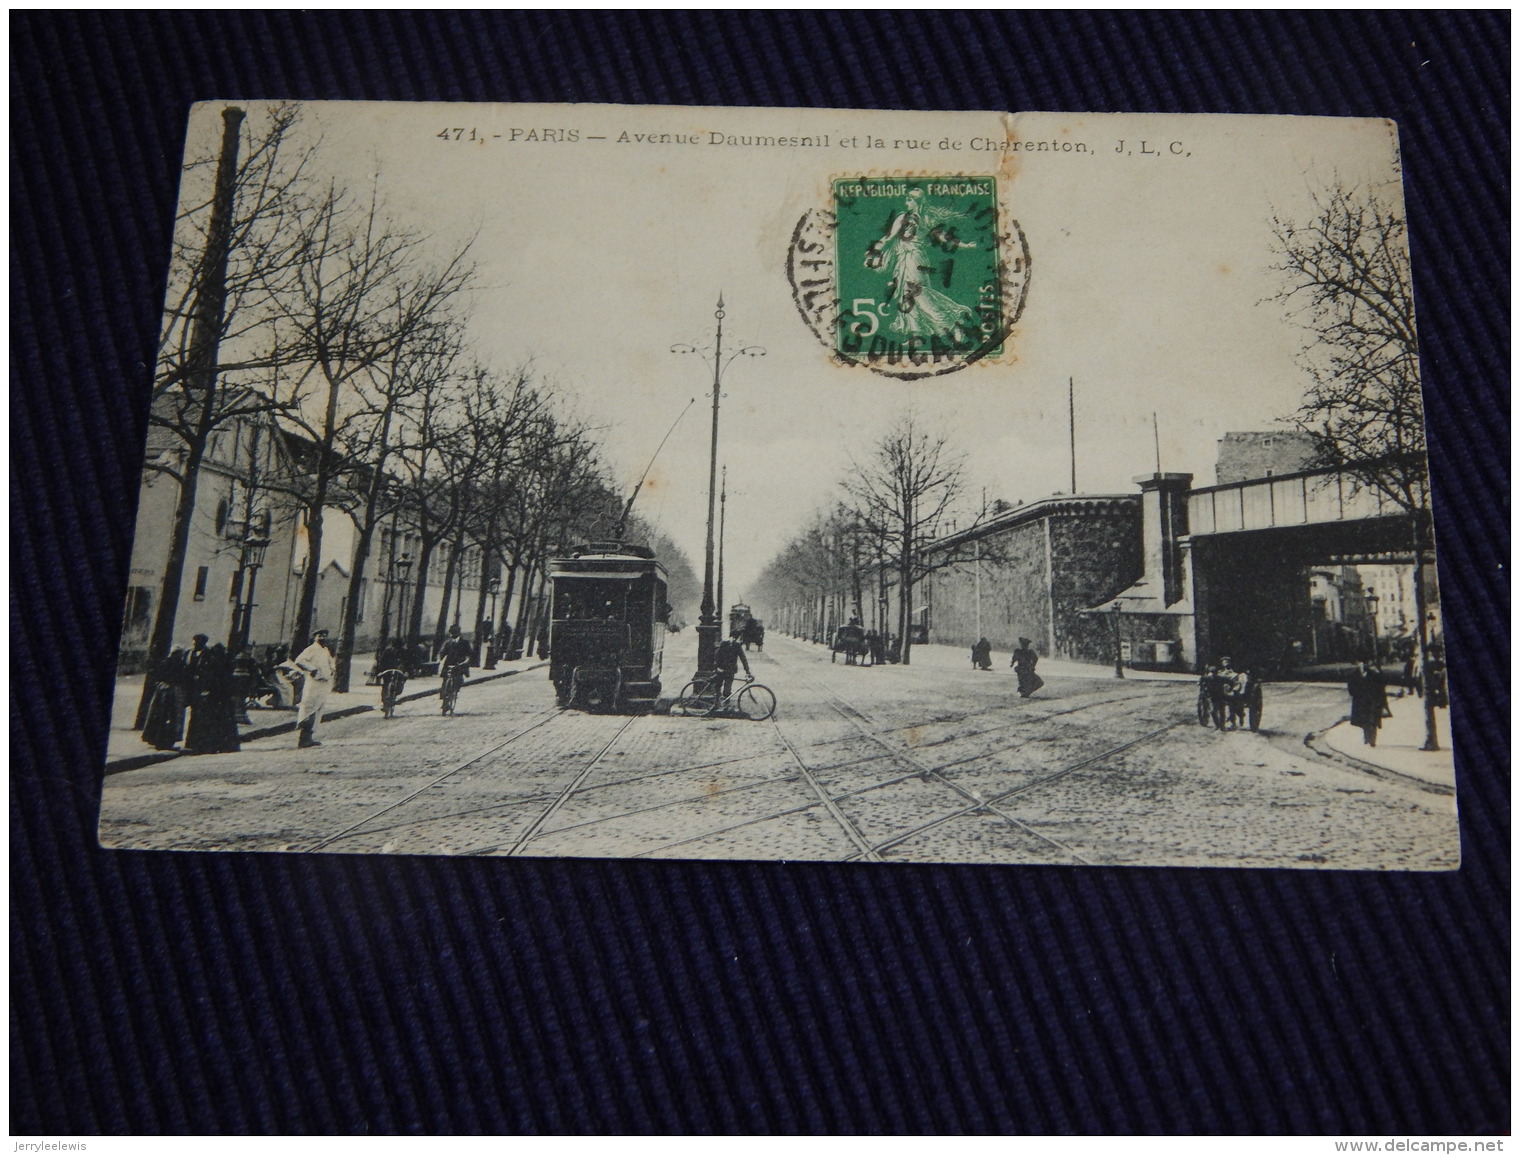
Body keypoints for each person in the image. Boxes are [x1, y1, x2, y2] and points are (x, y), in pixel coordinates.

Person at [184, 639, 241, 754]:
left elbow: (211, 679)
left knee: (211, 722)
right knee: (223, 722)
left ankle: (210, 745)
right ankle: (225, 745)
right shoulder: (224, 662)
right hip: (222, 697)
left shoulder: (214, 663)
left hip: (215, 697)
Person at [293, 628, 336, 748]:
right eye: (319, 636)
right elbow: (300, 660)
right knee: (309, 708)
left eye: (324, 635)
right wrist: (312, 669)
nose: (322, 638)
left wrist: (331, 669)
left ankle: (309, 737)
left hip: (324, 683)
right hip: (314, 683)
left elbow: (330, 662)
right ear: (315, 637)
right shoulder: (311, 649)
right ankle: (303, 739)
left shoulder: (325, 649)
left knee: (318, 709)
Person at [141, 646, 189, 750]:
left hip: (173, 694)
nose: (179, 656)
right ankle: (159, 739)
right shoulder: (167, 663)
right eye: (178, 654)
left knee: (172, 717)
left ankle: (168, 740)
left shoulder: (180, 665)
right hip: (165, 694)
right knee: (163, 716)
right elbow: (158, 677)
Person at [1346, 661, 1390, 747]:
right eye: (1361, 663)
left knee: (1372, 721)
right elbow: (1351, 688)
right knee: (1364, 721)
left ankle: (1372, 739)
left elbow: (1381, 686)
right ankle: (1367, 737)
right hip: (1360, 702)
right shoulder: (1353, 675)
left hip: (1372, 702)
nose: (1363, 665)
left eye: (1365, 664)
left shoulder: (1374, 675)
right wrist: (1357, 694)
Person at [713, 635, 752, 705]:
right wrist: (747, 671)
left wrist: (717, 667)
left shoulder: (728, 644)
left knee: (721, 688)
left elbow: (717, 656)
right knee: (722, 688)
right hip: (727, 670)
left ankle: (718, 703)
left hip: (725, 669)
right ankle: (721, 704)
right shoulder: (735, 645)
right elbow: (743, 659)